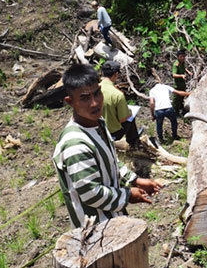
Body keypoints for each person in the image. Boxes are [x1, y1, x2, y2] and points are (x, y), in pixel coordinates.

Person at [52, 64, 161, 227]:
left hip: (112, 219)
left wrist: (134, 180)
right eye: (84, 98)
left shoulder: (98, 123)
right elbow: (91, 193)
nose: (94, 103)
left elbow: (109, 160)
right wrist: (128, 195)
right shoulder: (75, 144)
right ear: (70, 102)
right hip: (94, 229)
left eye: (97, 94)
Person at [99, 61, 139, 147]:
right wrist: (130, 112)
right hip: (113, 132)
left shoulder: (94, 89)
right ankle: (133, 143)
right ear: (116, 74)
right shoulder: (118, 95)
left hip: (98, 129)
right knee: (131, 118)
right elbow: (123, 119)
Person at [172, 50, 192, 115]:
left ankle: (181, 111)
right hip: (177, 85)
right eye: (181, 57)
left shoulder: (182, 63)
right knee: (176, 100)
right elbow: (174, 75)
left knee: (181, 98)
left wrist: (188, 72)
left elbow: (184, 68)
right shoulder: (176, 64)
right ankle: (175, 113)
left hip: (182, 84)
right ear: (178, 57)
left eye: (184, 56)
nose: (183, 58)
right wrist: (181, 75)